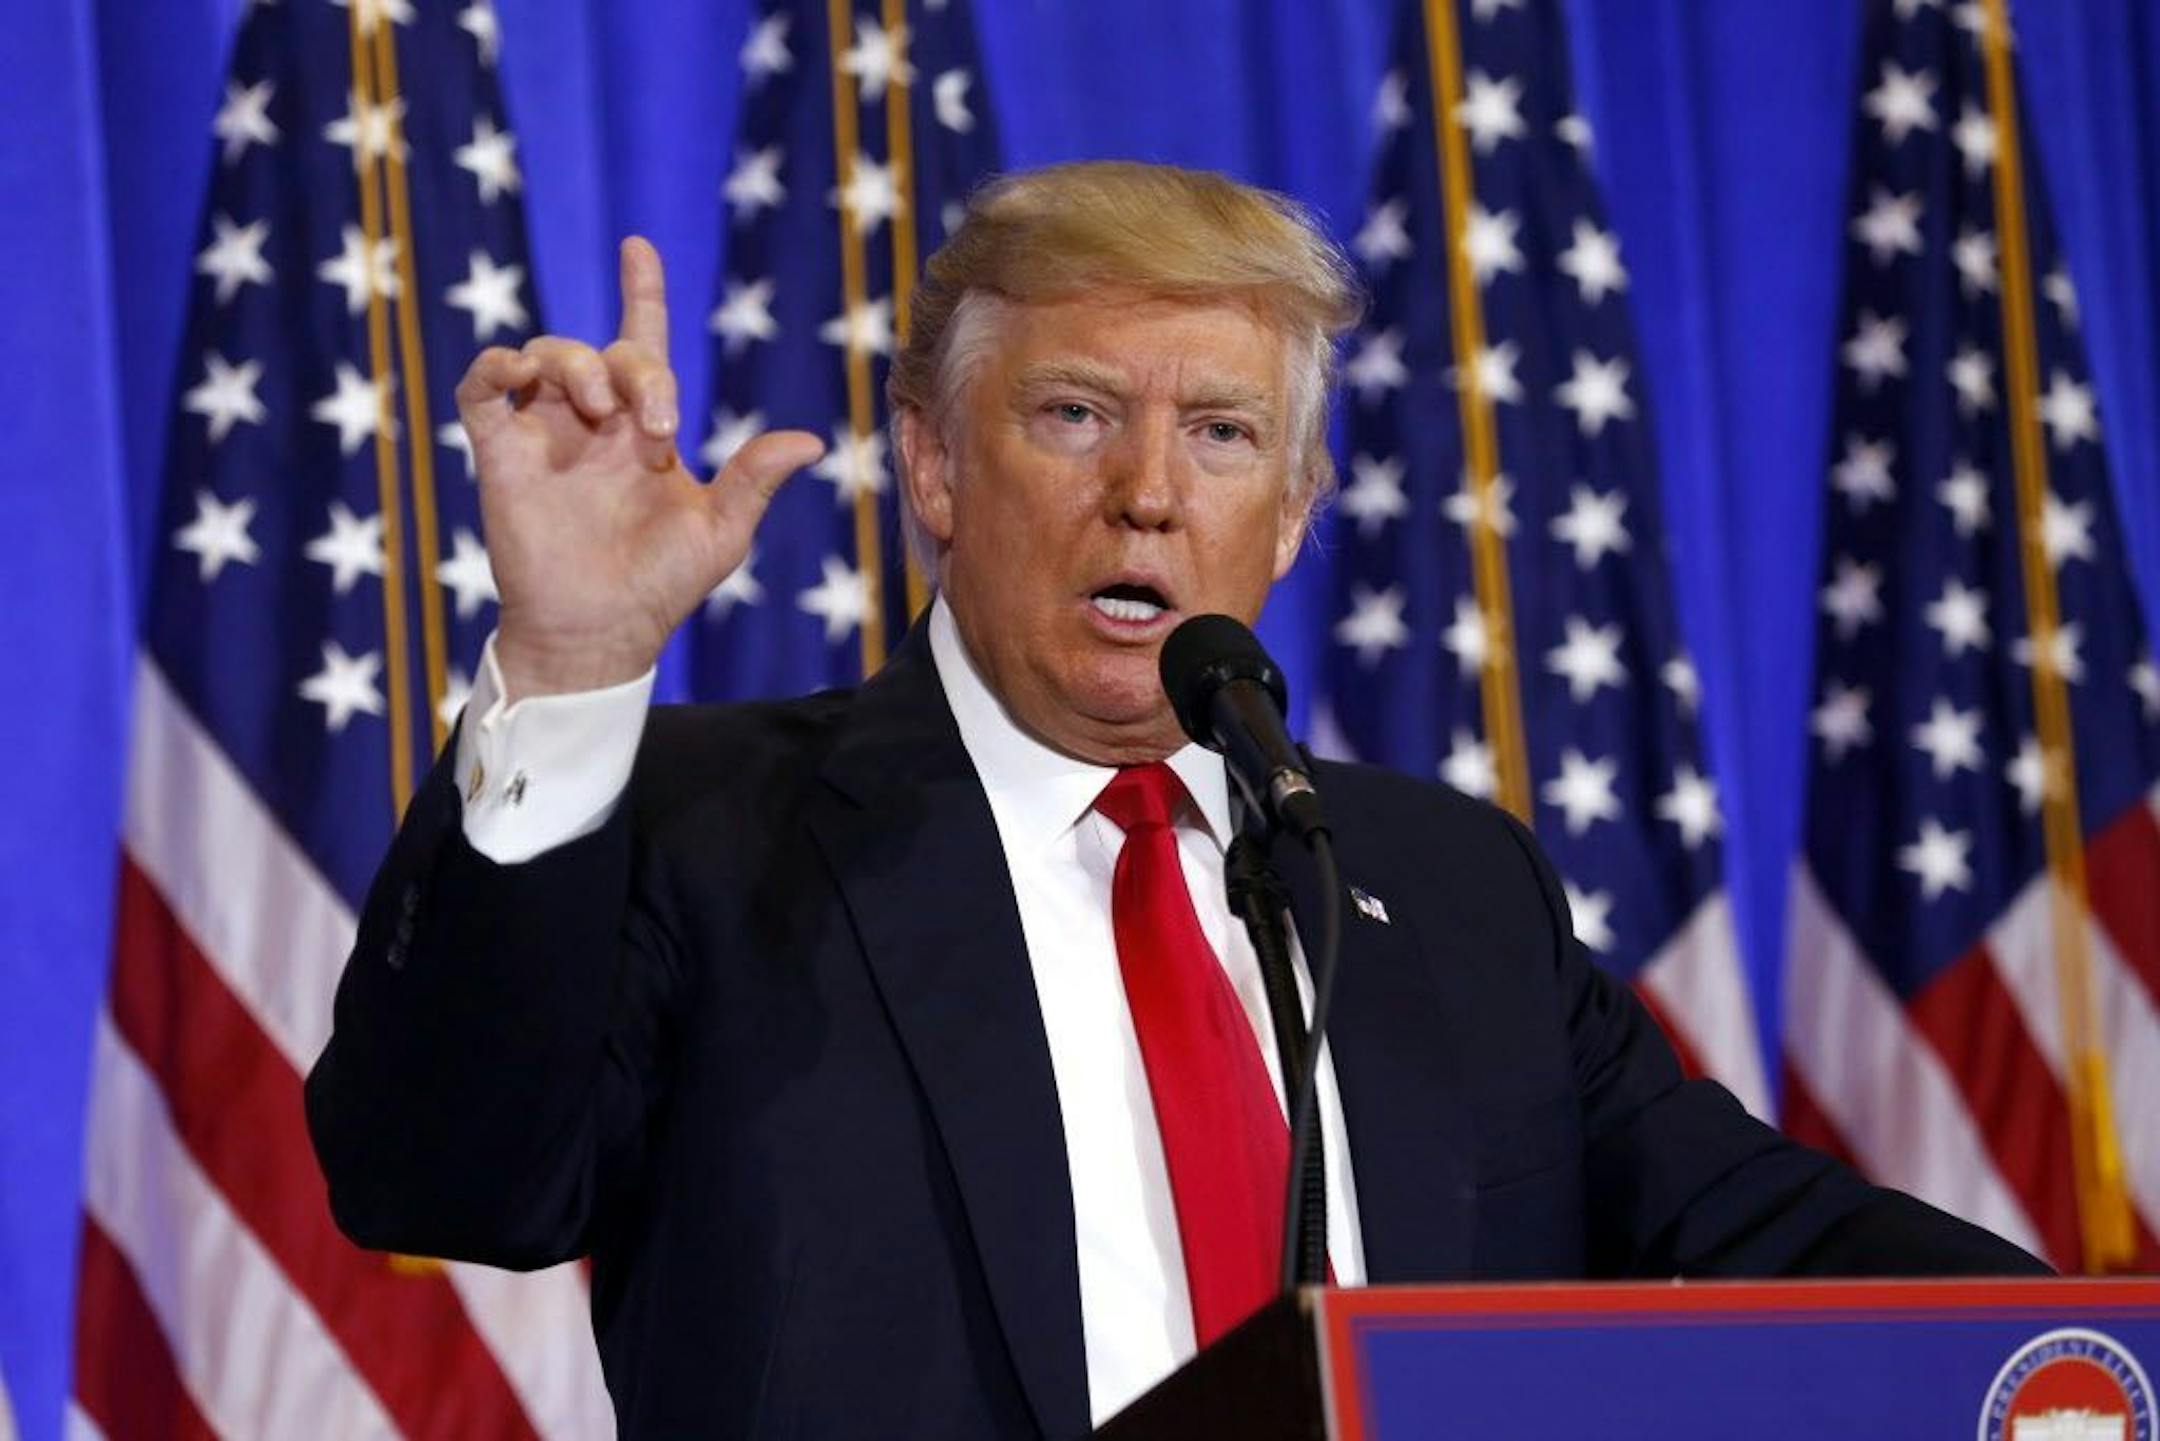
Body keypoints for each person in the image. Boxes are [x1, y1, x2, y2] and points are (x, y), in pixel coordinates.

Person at [305, 161, 2042, 1441]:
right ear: (930, 460)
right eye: (1074, 414)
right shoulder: (711, 830)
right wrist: (575, 660)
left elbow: (1758, 1230)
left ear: (1290, 512)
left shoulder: (1441, 885)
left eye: (1220, 434)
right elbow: (438, 1177)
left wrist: (2098, 1348)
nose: (1148, 493)